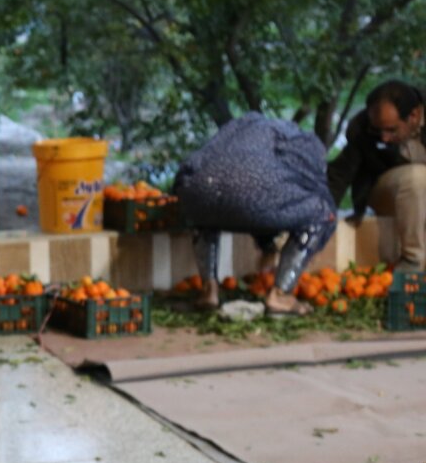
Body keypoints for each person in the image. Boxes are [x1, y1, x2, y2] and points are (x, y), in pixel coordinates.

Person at [174, 112, 336, 315]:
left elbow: (196, 165)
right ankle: (281, 295)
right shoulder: (293, 135)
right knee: (324, 212)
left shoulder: (232, 132)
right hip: (258, 193)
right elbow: (311, 180)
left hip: (198, 191)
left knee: (205, 209)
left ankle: (209, 291)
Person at [327, 79, 426, 270]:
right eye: (377, 130)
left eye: (391, 130)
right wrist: (323, 212)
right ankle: (412, 260)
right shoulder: (361, 127)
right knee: (417, 178)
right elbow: (339, 174)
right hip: (390, 189)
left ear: (414, 115)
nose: (384, 138)